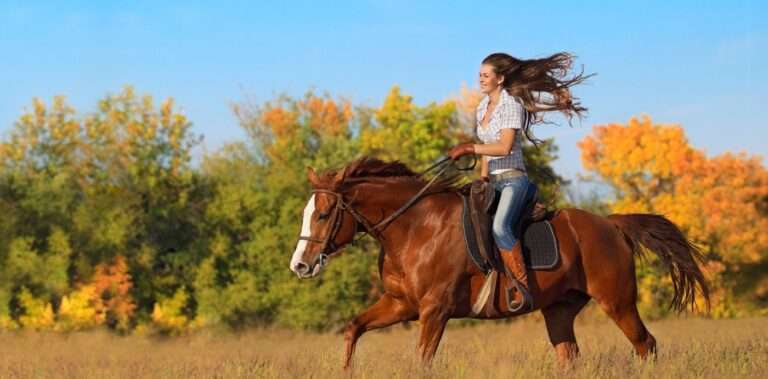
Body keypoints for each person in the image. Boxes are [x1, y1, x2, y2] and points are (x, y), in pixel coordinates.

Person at [448, 52, 590, 311]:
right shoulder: (482, 108)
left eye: (486, 75)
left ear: (500, 79)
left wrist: (470, 148)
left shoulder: (510, 105)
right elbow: (487, 149)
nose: (480, 79)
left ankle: (522, 288)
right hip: (492, 181)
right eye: (479, 75)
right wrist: (481, 178)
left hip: (514, 181)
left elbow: (502, 147)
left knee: (501, 227)